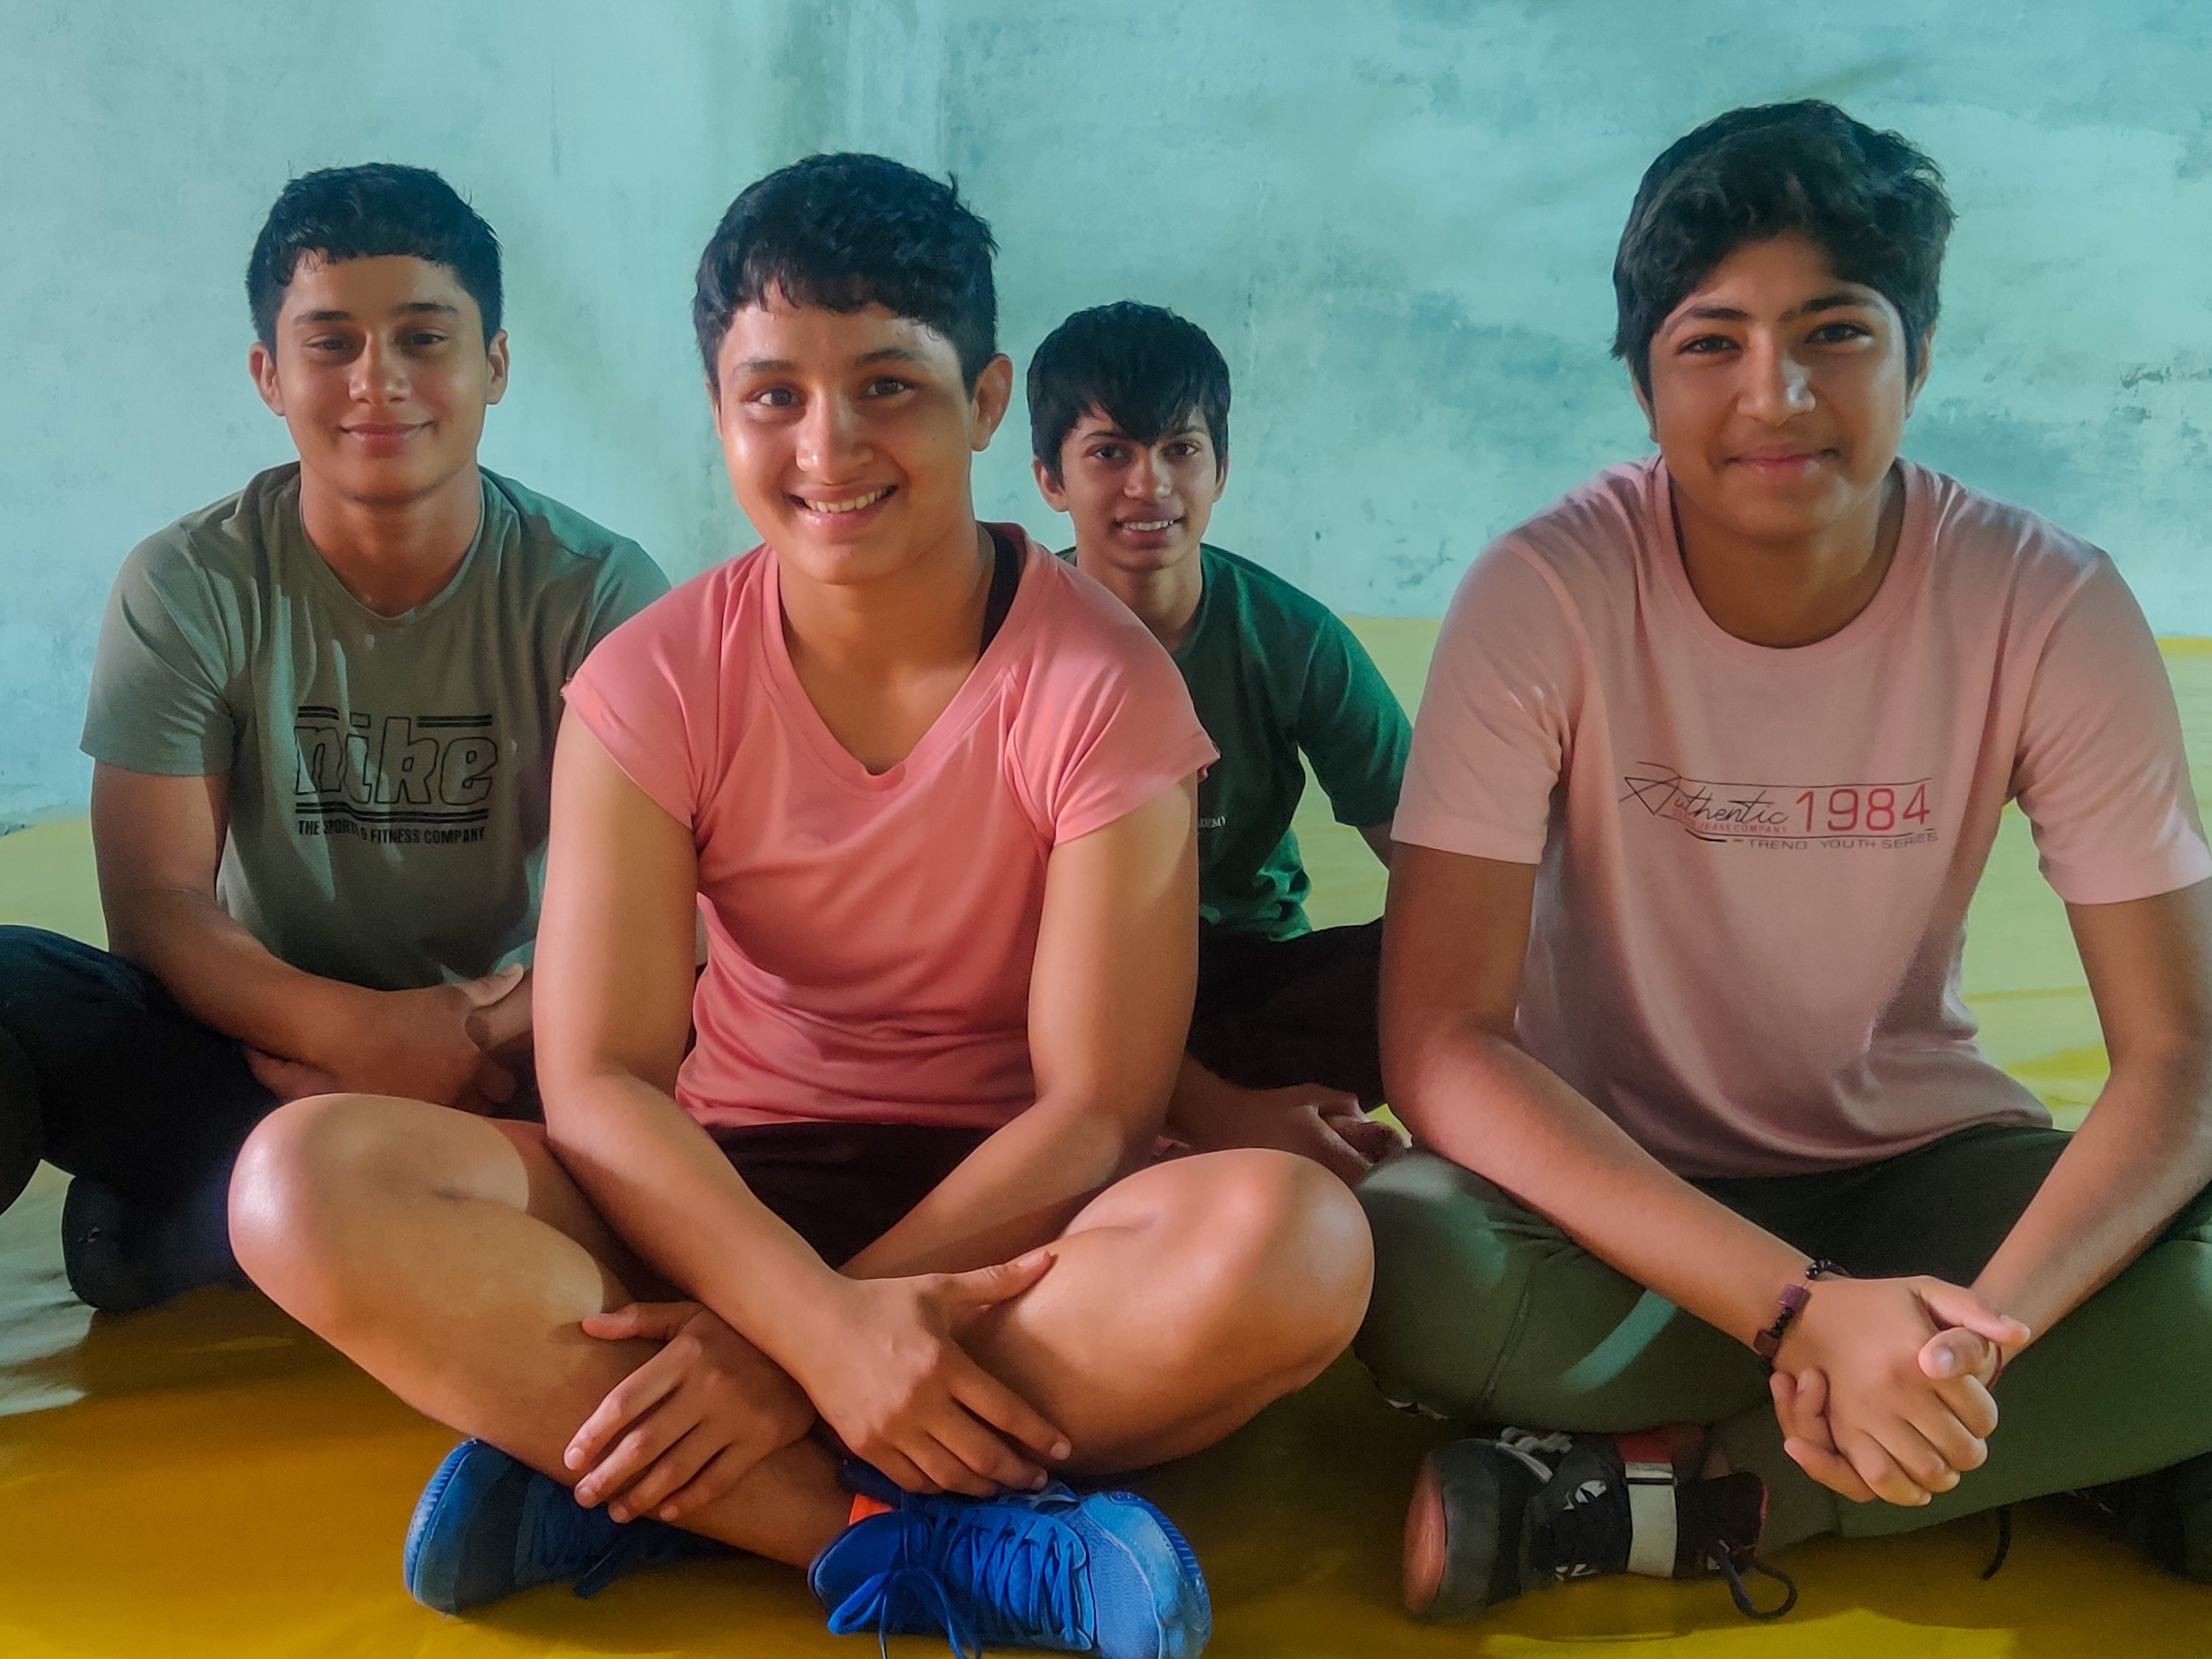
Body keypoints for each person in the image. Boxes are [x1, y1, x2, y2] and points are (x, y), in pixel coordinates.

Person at [229, 154, 1372, 1658]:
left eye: (888, 385)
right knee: (300, 1182)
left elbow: (1097, 1107)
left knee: (1298, 1244)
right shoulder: (653, 679)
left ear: (982, 403)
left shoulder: (1101, 688)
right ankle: (884, 1537)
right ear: (719, 415)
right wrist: (804, 1324)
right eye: (774, 396)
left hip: (1009, 1229)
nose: (829, 443)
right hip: (714, 1199)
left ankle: (619, 1476)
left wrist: (805, 1344)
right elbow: (602, 1078)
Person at [1356, 100, 2212, 1624]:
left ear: (1919, 353)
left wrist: (1980, 1339)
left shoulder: (2046, 605)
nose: (1778, 394)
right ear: (1643, 378)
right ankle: (2088, 1444)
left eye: (1836, 331)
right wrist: (1800, 1311)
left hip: (1918, 1178)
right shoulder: (1544, 593)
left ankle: (1725, 1496)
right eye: (1712, 342)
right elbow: (1439, 1040)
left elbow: (2181, 1057)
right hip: (1615, 1199)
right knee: (1395, 1254)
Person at [0, 164, 667, 1311]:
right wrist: (359, 1032)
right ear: (268, 373)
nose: (379, 382)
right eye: (331, 342)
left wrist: (470, 1031)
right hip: (261, 1047)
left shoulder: (596, 592)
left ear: (495, 363)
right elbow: (158, 903)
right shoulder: (188, 582)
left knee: (719, 1023)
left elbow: (663, 909)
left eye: (423, 336)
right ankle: (328, 1207)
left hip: (514, 1061)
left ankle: (266, 1217)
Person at [1028, 302, 1411, 1186]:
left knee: (1479, 955)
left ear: (1221, 468)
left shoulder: (1293, 638)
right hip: (1068, 987)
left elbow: (1435, 866)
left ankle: (1162, 1115)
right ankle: (1197, 1118)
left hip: (1246, 981)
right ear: (1051, 477)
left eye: (1181, 449)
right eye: (1110, 452)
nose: (1149, 485)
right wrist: (1226, 1112)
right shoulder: (1011, 642)